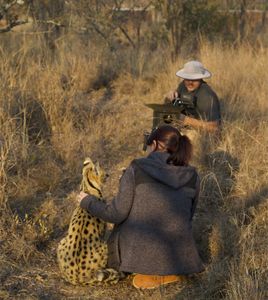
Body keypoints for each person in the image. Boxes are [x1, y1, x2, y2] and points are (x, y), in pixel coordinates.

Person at [77, 125, 204, 289]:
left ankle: (150, 272)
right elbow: (188, 215)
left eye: (149, 145)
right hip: (180, 255)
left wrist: (87, 201)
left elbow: (116, 214)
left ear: (156, 145)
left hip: (142, 253)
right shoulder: (193, 175)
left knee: (122, 224)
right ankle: (172, 271)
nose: (148, 150)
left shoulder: (136, 168)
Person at [166, 60, 221, 133]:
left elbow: (215, 128)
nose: (190, 83)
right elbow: (175, 100)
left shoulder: (207, 96)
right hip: (181, 127)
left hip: (199, 134)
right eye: (187, 78)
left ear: (201, 78)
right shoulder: (183, 85)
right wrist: (172, 94)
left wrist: (185, 120)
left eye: (194, 79)